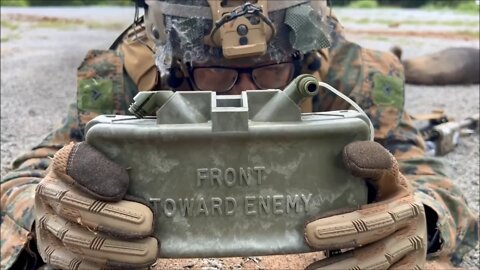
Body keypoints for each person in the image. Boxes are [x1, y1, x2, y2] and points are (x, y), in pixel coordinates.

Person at [1, 0, 478, 269]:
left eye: (269, 71)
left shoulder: (355, 74)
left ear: (302, 57)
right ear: (177, 63)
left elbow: (425, 176)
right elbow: (24, 178)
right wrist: (44, 220)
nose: (245, 92)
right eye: (218, 75)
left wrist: (422, 220)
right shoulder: (127, 75)